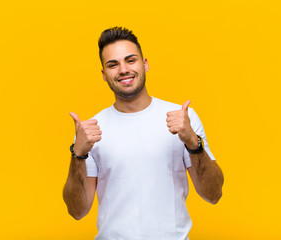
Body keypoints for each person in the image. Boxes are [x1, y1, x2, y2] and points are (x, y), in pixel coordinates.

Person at [63, 26, 224, 240]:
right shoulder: (91, 131)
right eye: (113, 64)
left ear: (145, 64)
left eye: (130, 60)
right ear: (104, 74)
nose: (123, 70)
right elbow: (77, 211)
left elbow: (213, 194)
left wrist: (193, 143)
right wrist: (78, 154)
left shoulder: (184, 118)